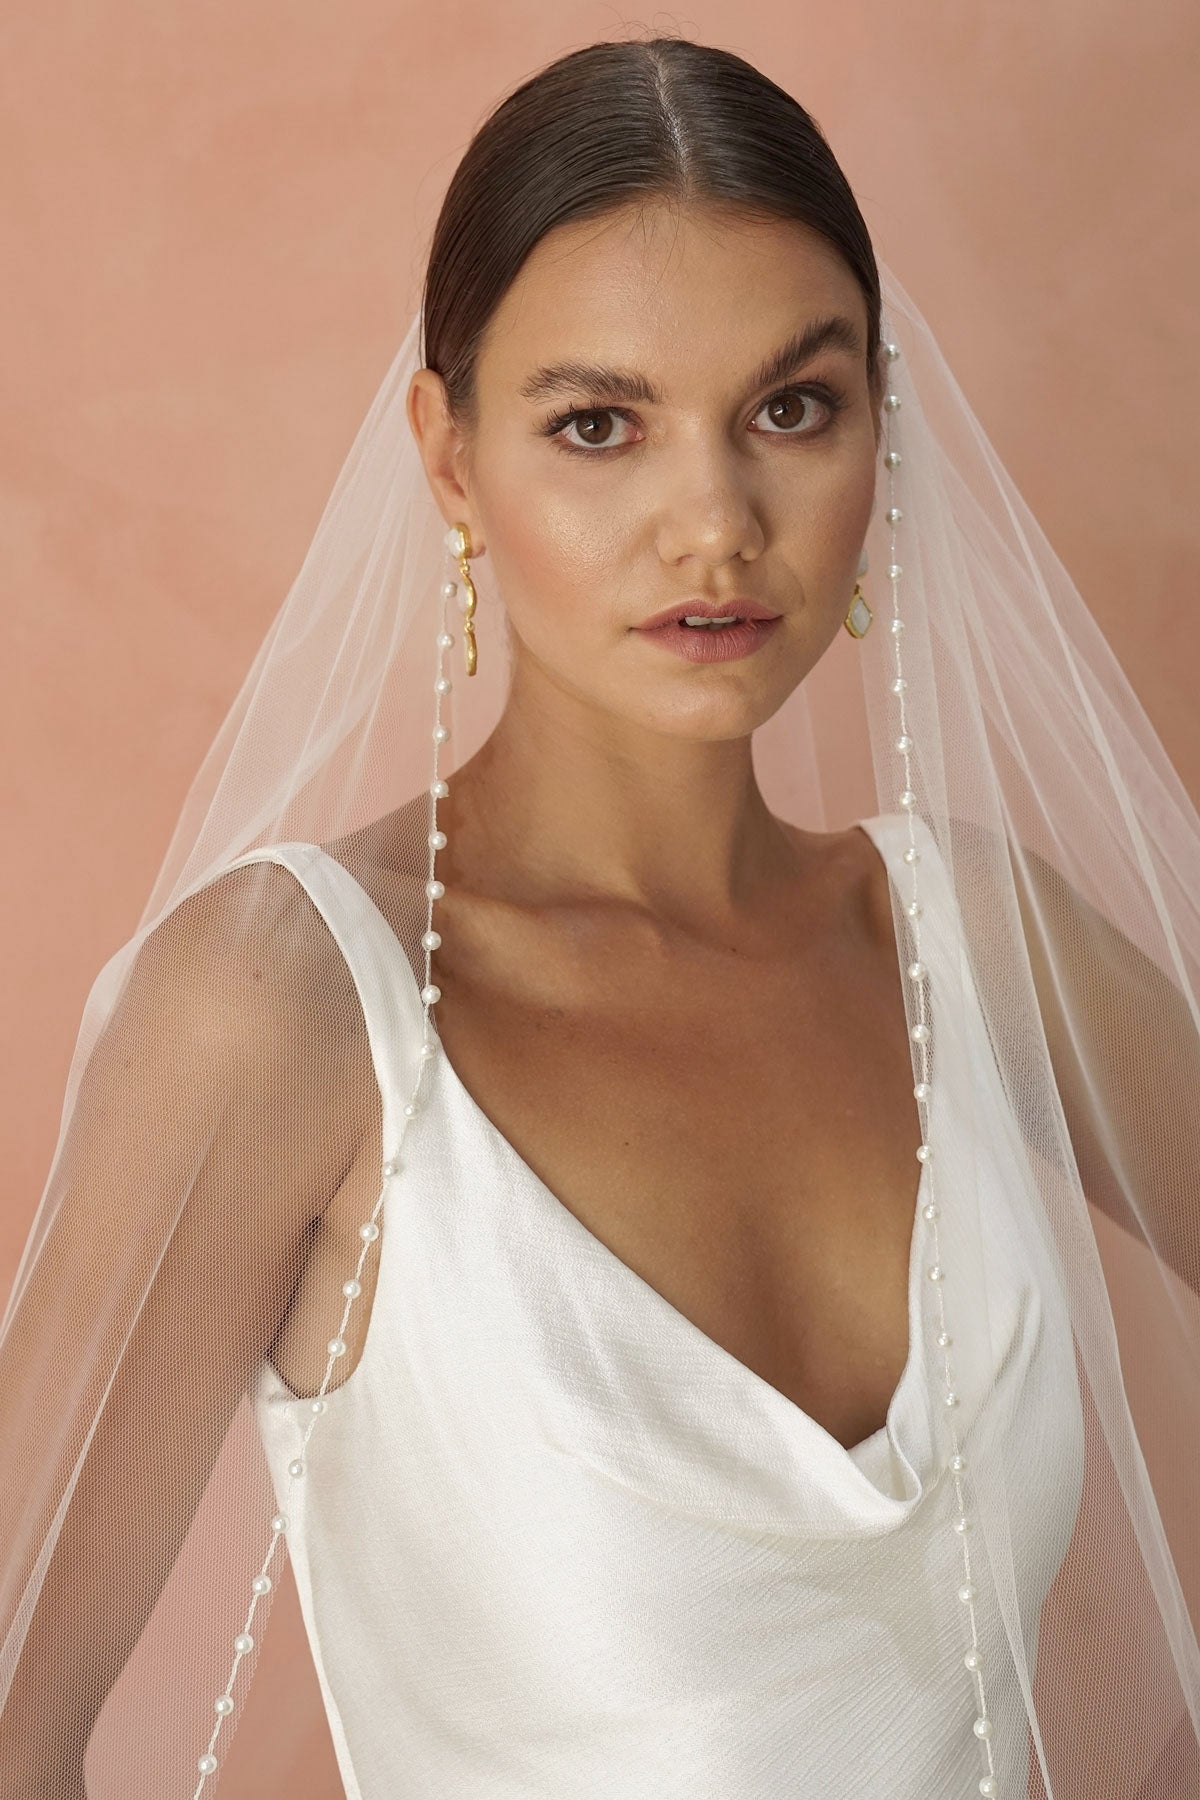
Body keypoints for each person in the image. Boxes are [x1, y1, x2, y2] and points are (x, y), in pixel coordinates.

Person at [2, 33, 1199, 1800]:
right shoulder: (288, 1009)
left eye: (794, 409)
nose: (714, 523)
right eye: (598, 426)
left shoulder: (975, 943)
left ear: (885, 423)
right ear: (451, 457)